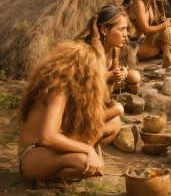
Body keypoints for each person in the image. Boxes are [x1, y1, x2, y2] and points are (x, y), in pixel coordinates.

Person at [17, 40, 122, 186]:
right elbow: (47, 138)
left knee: (113, 124)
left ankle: (56, 173)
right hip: (33, 153)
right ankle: (50, 177)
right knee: (83, 163)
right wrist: (89, 151)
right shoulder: (59, 90)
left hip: (51, 149)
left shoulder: (75, 89)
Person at [78, 5, 141, 94]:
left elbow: (116, 70)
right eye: (121, 29)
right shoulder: (87, 51)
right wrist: (109, 76)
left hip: (102, 86)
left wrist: (122, 73)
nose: (126, 34)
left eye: (126, 29)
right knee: (118, 108)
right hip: (86, 93)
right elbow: (83, 83)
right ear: (104, 29)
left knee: (134, 76)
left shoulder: (115, 48)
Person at [128, 0, 171, 68]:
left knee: (165, 34)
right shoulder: (138, 3)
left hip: (142, 42)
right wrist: (166, 24)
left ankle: (169, 61)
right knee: (165, 32)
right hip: (132, 47)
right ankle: (169, 61)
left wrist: (160, 20)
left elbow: (151, 22)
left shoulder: (151, 3)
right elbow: (146, 30)